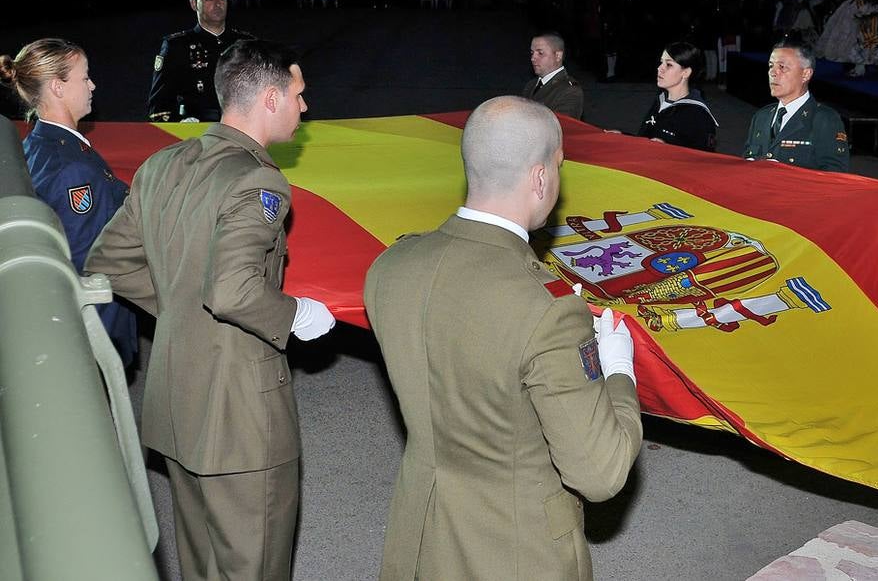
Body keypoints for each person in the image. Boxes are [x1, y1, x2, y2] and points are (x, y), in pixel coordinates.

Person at [86, 39, 337, 581]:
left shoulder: (162, 165)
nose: (304, 106)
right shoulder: (258, 180)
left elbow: (108, 259)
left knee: (201, 566)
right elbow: (232, 290)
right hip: (241, 420)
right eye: (298, 94)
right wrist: (296, 314)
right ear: (270, 99)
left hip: (178, 400)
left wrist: (179, 302)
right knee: (255, 565)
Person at [364, 96, 642, 580]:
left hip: (419, 534)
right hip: (517, 552)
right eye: (557, 167)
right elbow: (600, 472)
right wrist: (618, 371)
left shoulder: (390, 267)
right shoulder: (548, 310)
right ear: (539, 178)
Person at [0, 38, 138, 365]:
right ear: (58, 88)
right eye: (84, 77)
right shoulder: (70, 166)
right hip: (91, 332)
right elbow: (87, 265)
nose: (92, 84)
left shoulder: (40, 144)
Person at [147, 0, 253, 122]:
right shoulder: (177, 46)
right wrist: (178, 124)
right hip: (197, 128)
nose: (218, 4)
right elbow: (159, 106)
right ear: (194, 4)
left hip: (242, 128)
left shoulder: (246, 43)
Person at [742, 41, 848, 171]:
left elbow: (834, 177)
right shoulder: (762, 116)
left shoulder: (824, 120)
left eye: (782, 67)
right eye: (771, 66)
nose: (772, 73)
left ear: (805, 74)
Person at [634, 41, 718, 151]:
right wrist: (621, 136)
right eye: (661, 62)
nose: (660, 68)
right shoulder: (661, 101)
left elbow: (704, 159)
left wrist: (668, 149)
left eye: (668, 65)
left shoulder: (698, 114)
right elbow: (644, 139)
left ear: (686, 72)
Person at [523, 31, 585, 120]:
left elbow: (561, 129)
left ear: (558, 55)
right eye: (532, 53)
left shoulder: (570, 91)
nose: (532, 58)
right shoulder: (531, 85)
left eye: (540, 53)